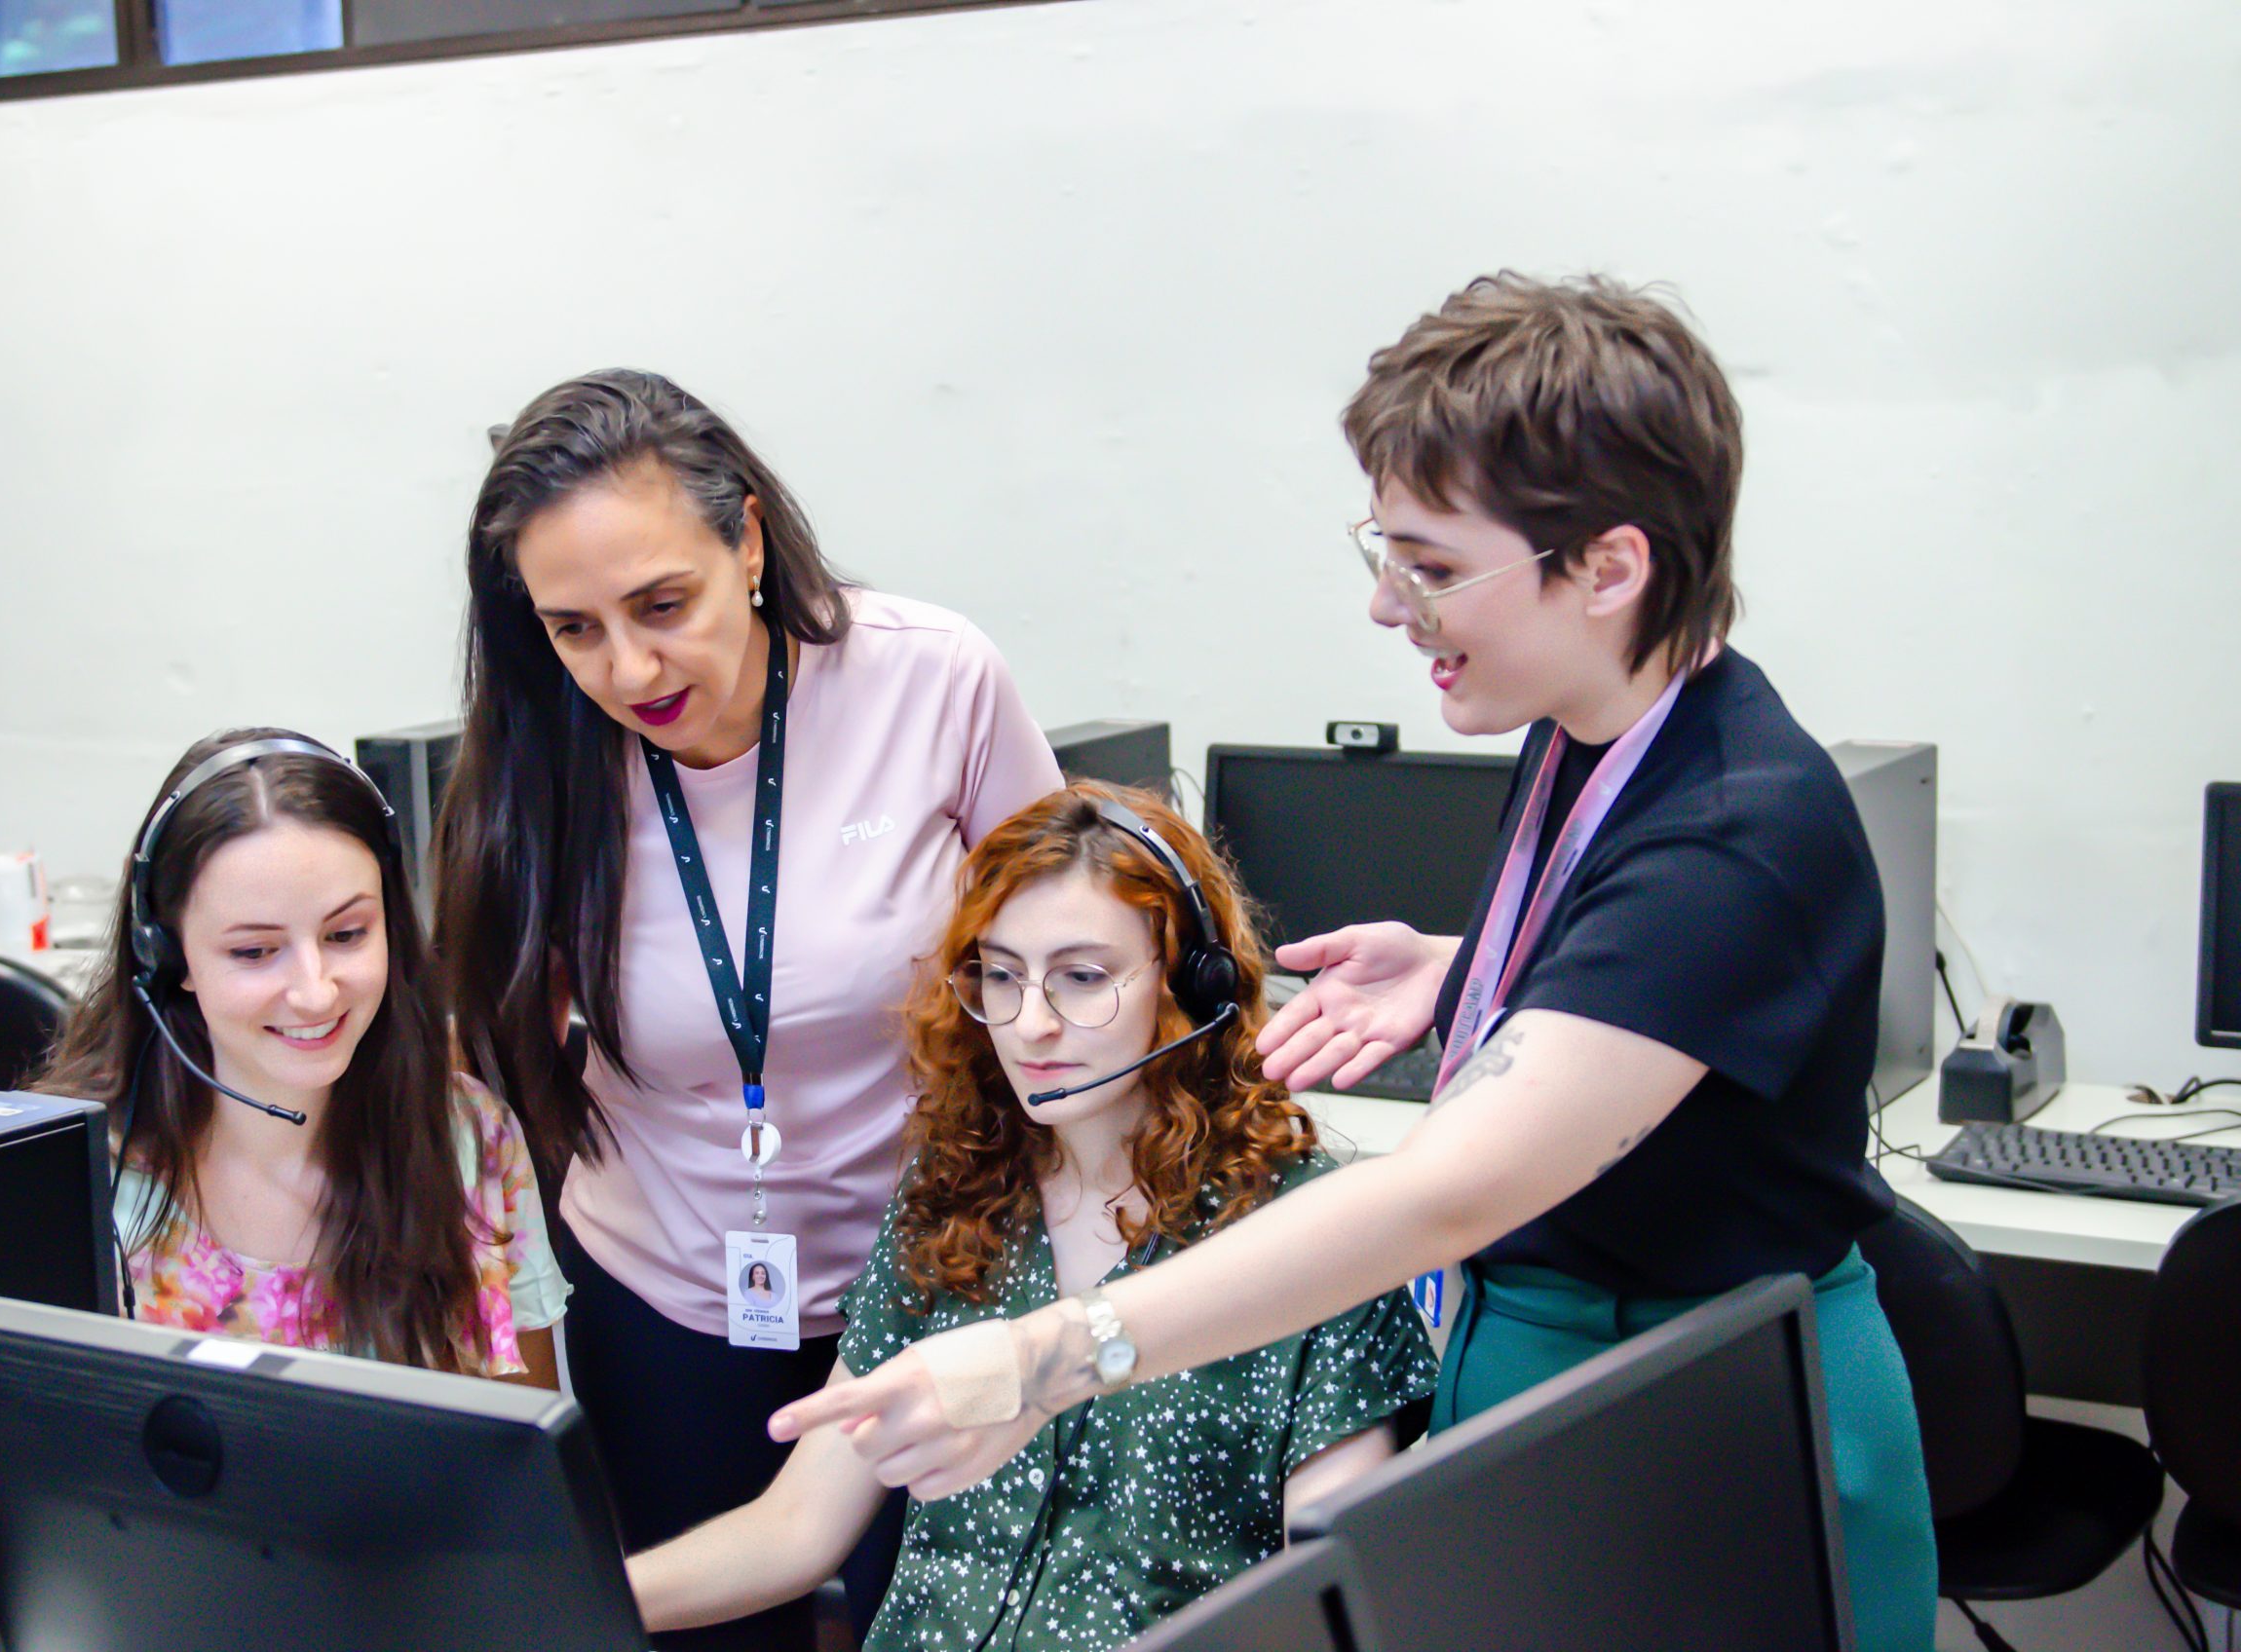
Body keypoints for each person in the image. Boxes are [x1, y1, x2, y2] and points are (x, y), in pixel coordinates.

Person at [777, 275, 1940, 1652]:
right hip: (1578, 1375)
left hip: (1711, 1420)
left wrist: (1051, 1355)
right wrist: (1472, 971)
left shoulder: (1735, 834)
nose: (1393, 608)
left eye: (1436, 568)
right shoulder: (1602, 717)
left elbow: (1441, 1199)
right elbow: (1647, 978)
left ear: (1611, 567)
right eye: (1383, 554)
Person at [433, 370, 1061, 1648]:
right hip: (666, 1303)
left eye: (664, 604)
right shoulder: (543, 755)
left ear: (752, 543)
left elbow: (1081, 957)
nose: (630, 666)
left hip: (933, 1283)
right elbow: (478, 1045)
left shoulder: (931, 681)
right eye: (574, 628)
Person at [629, 784, 1435, 1649]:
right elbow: (794, 1532)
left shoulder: (1312, 1233)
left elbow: (1318, 1607)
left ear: (1193, 987)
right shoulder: (955, 1190)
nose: (1031, 1026)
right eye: (1001, 976)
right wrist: (536, 1602)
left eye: (1083, 979)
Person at [39, 729, 568, 1385]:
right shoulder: (76, 1178)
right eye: (255, 952)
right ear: (166, 954)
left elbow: (525, 1448)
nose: (315, 992)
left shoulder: (470, 1137)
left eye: (347, 934)